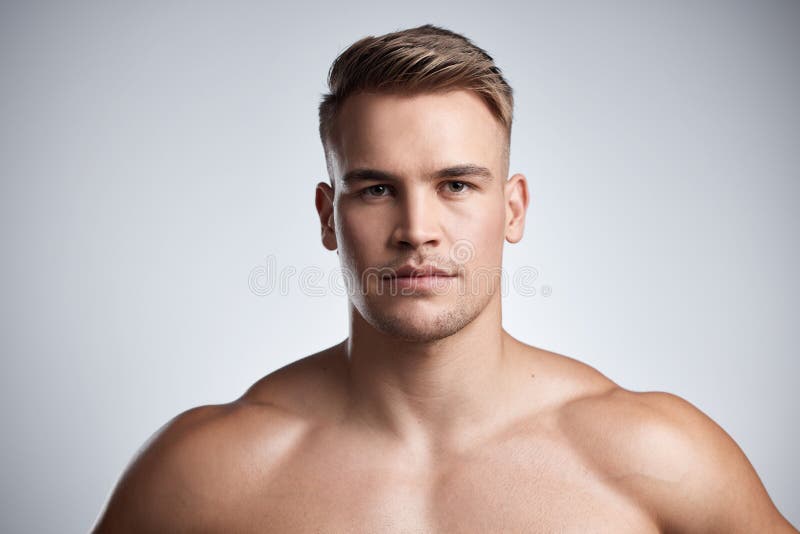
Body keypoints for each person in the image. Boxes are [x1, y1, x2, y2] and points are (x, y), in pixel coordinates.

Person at [92, 24, 797, 533]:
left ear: (513, 208)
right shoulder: (209, 474)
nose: (417, 229)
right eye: (374, 189)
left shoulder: (655, 456)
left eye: (456, 184)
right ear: (327, 216)